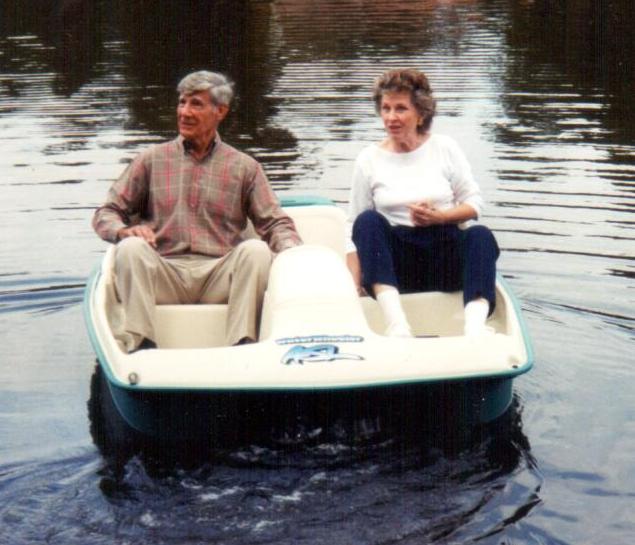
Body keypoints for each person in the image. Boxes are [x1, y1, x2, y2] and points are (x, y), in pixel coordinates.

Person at [93, 70, 302, 351]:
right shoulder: (150, 160)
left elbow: (275, 223)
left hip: (219, 275)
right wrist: (123, 231)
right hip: (164, 272)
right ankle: (141, 346)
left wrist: (294, 254)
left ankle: (242, 347)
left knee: (256, 251)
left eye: (196, 104)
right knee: (130, 248)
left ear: (220, 111)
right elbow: (106, 212)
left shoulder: (245, 167)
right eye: (182, 102)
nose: (184, 112)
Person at [346, 68, 499, 337]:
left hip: (442, 256)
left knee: (480, 236)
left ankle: (474, 327)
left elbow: (474, 204)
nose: (391, 117)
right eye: (386, 108)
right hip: (397, 267)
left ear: (421, 114)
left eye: (401, 109)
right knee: (367, 221)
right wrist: (353, 287)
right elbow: (353, 230)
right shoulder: (368, 159)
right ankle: (397, 325)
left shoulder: (444, 148)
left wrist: (440, 217)